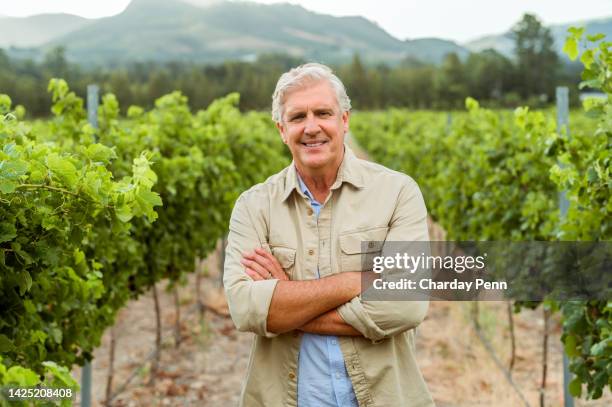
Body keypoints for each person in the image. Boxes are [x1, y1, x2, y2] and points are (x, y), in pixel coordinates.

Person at [223, 63, 434, 407]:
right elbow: (245, 309)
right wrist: (358, 280)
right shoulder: (254, 206)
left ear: (344, 120)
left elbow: (407, 304)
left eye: (323, 113)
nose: (311, 127)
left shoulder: (397, 192)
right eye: (297, 117)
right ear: (281, 129)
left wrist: (286, 302)